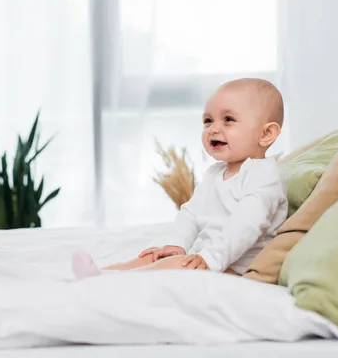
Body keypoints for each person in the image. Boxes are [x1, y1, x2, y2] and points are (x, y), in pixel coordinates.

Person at [73, 78, 288, 278]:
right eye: (208, 120)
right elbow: (191, 214)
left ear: (266, 134)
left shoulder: (262, 175)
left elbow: (246, 225)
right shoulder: (214, 174)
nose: (213, 128)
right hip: (210, 259)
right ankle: (103, 273)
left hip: (238, 268)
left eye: (228, 119)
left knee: (178, 265)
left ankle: (114, 280)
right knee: (155, 256)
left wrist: (210, 258)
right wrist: (176, 244)